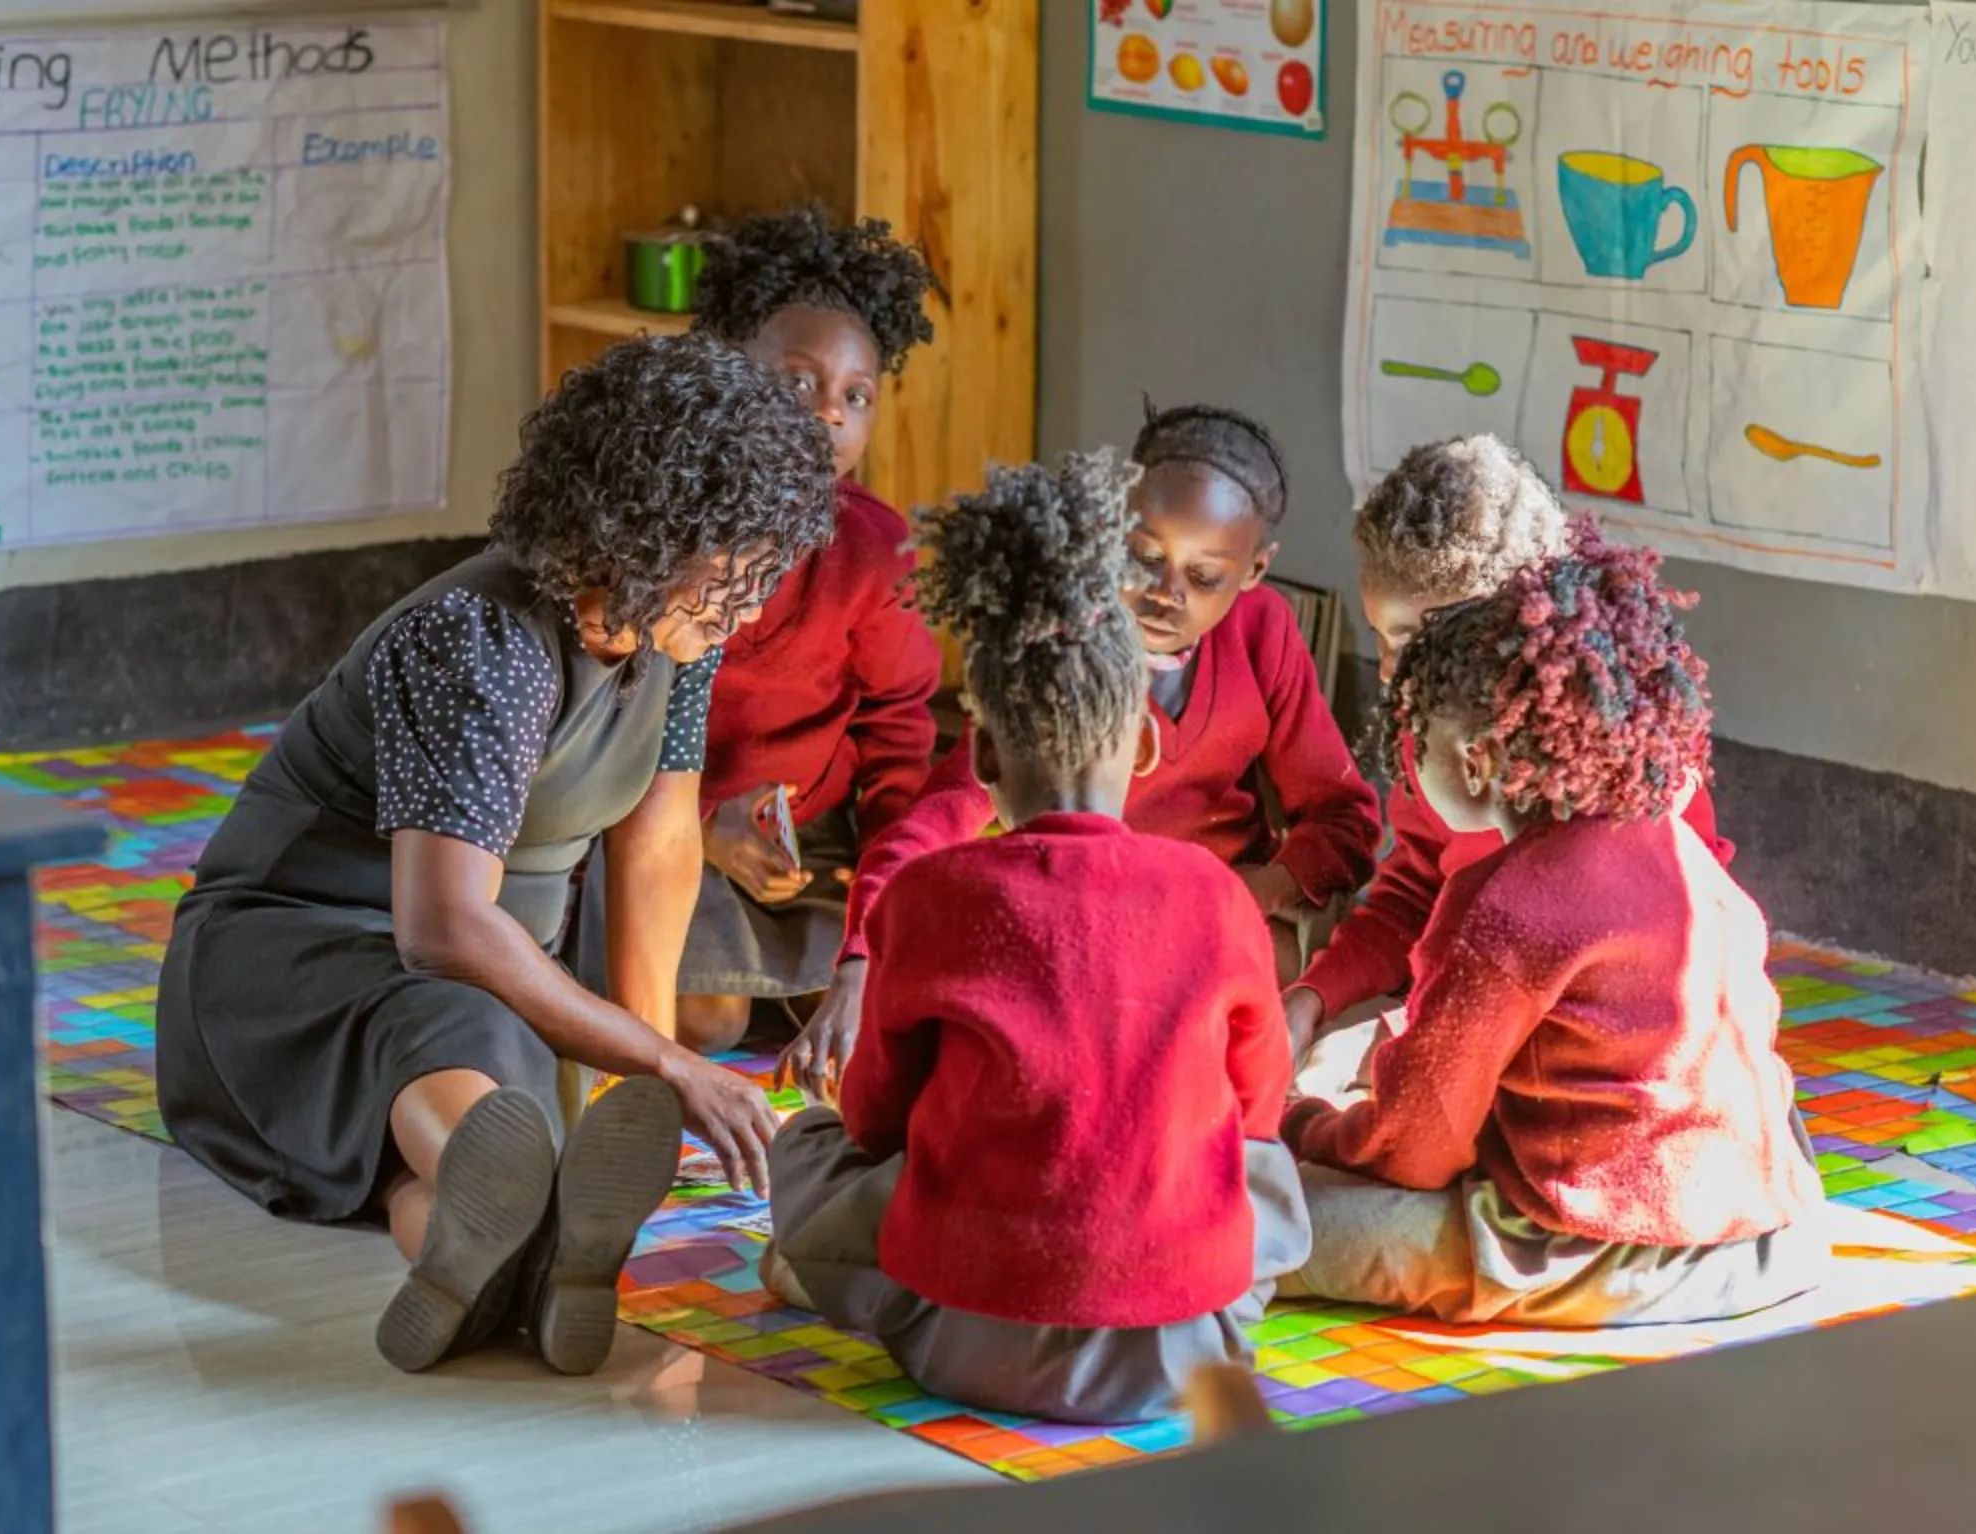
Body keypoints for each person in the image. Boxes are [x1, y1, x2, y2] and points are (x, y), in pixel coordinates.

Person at [155, 334, 836, 1376]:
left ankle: (492, 1233)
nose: (752, 599)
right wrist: (669, 1062)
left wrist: (643, 1076)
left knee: (497, 1089)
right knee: (463, 1034)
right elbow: (442, 929)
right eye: (737, 565)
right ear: (650, 532)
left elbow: (655, 844)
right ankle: (533, 1210)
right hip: (293, 962)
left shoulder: (674, 634)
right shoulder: (482, 639)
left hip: (491, 971)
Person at [759, 449, 1311, 1422]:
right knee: (1259, 1163)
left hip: (954, 1335)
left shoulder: (930, 897)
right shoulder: (1218, 896)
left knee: (807, 1145)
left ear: (978, 752)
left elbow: (877, 1117)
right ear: (1141, 745)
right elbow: (1259, 1105)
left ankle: (813, 1271)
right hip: (1183, 1350)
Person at [1280, 539, 1826, 1326]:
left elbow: (1415, 1151)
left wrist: (1301, 1122)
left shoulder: (1503, 904)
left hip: (1605, 1248)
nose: (1410, 776)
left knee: (1260, 1225)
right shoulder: (1671, 843)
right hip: (1773, 1229)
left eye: (1417, 751)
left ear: (1475, 763)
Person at [783, 403, 1381, 1092]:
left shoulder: (1263, 632)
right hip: (1071, 911)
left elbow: (1345, 819)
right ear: (1110, 528)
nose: (1165, 593)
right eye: (1145, 557)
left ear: (1254, 571)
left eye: (1205, 576)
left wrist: (1262, 888)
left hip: (1209, 918)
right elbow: (936, 818)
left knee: (1263, 966)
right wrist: (859, 960)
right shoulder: (1065, 640)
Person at [576, 206, 943, 1054]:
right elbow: (601, 724)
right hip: (656, 817)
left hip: (804, 842)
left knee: (876, 1011)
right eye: (798, 383)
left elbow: (897, 738)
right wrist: (706, 824)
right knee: (708, 1018)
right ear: (724, 370)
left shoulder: (876, 552)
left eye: (856, 395)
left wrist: (883, 897)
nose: (828, 416)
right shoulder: (664, 525)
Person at [1287, 434, 1730, 1064]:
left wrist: (1416, 1039)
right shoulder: (1433, 739)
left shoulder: (1631, 770)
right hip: (1474, 1015)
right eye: (1381, 635)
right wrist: (1310, 1001)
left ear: (1521, 615)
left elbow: (1675, 963)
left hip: (1613, 1052)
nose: (1388, 670)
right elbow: (1414, 898)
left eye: (1414, 637)